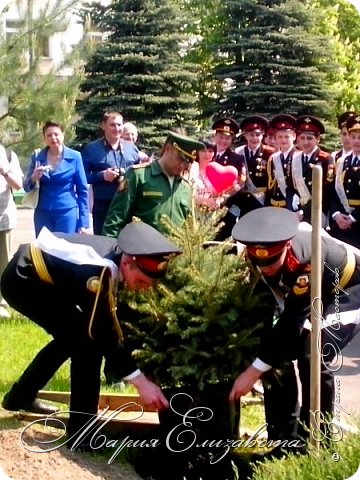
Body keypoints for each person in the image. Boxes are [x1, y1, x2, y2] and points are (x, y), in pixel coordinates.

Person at [1, 220, 182, 450]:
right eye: (142, 281)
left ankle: (20, 398)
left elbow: (114, 322)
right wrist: (140, 382)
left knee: (73, 339)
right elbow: (102, 332)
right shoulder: (99, 273)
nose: (145, 288)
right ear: (128, 263)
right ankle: (82, 434)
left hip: (47, 277)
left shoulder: (121, 257)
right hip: (23, 279)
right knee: (86, 346)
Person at [230, 207, 360, 448]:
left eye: (272, 261)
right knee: (275, 354)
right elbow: (265, 311)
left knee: (313, 354)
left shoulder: (304, 261)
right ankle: (284, 440)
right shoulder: (255, 257)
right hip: (312, 297)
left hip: (347, 287)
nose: (267, 268)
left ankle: (317, 440)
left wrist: (252, 372)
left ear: (287, 246)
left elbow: (292, 322)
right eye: (261, 262)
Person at [102, 132, 205, 237]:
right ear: (168, 149)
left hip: (175, 251)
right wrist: (112, 250)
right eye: (180, 158)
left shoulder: (185, 188)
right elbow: (116, 218)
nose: (182, 165)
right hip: (141, 250)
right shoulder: (139, 176)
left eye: (188, 162)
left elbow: (189, 228)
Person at [23, 121, 89, 236]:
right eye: (49, 135)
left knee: (64, 249)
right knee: (44, 250)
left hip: (67, 212)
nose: (53, 138)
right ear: (44, 138)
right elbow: (26, 187)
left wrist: (83, 223)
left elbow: (82, 191)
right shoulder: (38, 157)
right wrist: (34, 177)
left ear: (63, 135)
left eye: (56, 134)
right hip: (43, 212)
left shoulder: (75, 156)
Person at [82, 112, 141, 234]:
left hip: (128, 205)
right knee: (103, 244)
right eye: (112, 125)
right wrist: (102, 176)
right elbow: (82, 177)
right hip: (104, 205)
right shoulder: (91, 149)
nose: (117, 129)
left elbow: (139, 174)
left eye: (119, 125)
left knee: (128, 244)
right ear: (103, 126)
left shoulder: (132, 149)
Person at [290, 115, 334, 225]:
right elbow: (289, 188)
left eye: (309, 138)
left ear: (318, 139)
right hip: (297, 214)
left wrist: (304, 211)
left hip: (317, 213)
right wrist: (292, 210)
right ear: (297, 139)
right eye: (302, 138)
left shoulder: (325, 159)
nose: (305, 142)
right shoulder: (295, 158)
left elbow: (327, 191)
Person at [329, 114, 360, 248]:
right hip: (340, 223)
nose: (356, 141)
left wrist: (353, 218)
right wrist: (336, 215)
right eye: (353, 137)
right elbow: (332, 192)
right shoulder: (342, 161)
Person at [0, 145, 23, 319]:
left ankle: (2, 302)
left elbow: (18, 185)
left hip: (3, 219)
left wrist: (5, 172)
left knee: (3, 261)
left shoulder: (8, 155)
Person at [266, 114, 297, 210]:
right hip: (274, 206)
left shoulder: (298, 157)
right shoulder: (273, 159)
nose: (283, 140)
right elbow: (270, 187)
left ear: (294, 136)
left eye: (287, 137)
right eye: (280, 136)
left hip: (291, 207)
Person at [187, 139, 223, 210]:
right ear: (197, 152)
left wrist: (218, 201)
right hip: (192, 212)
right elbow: (186, 194)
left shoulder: (217, 169)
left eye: (210, 151)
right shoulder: (191, 168)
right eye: (203, 151)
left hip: (211, 215)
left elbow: (220, 195)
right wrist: (205, 201)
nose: (207, 154)